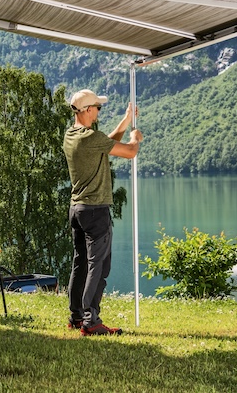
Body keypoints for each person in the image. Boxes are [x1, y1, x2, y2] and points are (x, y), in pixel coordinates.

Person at [63, 89, 142, 336]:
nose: (99, 110)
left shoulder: (72, 135)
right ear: (88, 110)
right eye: (97, 107)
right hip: (96, 210)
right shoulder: (90, 138)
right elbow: (129, 152)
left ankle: (76, 316)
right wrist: (136, 138)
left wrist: (126, 120)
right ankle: (91, 321)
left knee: (81, 264)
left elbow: (105, 143)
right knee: (99, 266)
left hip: (77, 209)